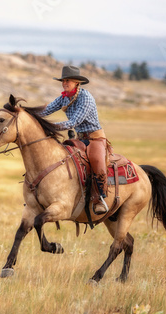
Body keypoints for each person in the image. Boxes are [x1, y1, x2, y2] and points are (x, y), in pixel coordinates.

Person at [40, 65, 110, 214]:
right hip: (79, 138)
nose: (65, 83)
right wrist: (28, 114)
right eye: (63, 80)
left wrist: (50, 127)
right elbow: (46, 110)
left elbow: (74, 122)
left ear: (77, 83)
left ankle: (99, 199)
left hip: (95, 139)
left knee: (97, 163)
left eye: (68, 81)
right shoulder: (64, 97)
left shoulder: (86, 97)